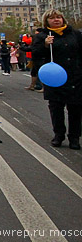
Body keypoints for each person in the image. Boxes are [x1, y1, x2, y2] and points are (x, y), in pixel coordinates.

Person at [29, 10, 82, 149]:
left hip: (74, 76)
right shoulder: (42, 36)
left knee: (75, 109)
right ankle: (59, 135)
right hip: (54, 78)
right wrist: (45, 46)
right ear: (46, 21)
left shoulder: (75, 34)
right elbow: (35, 54)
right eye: (52, 18)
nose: (56, 20)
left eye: (58, 17)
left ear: (63, 19)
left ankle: (74, 137)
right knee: (56, 108)